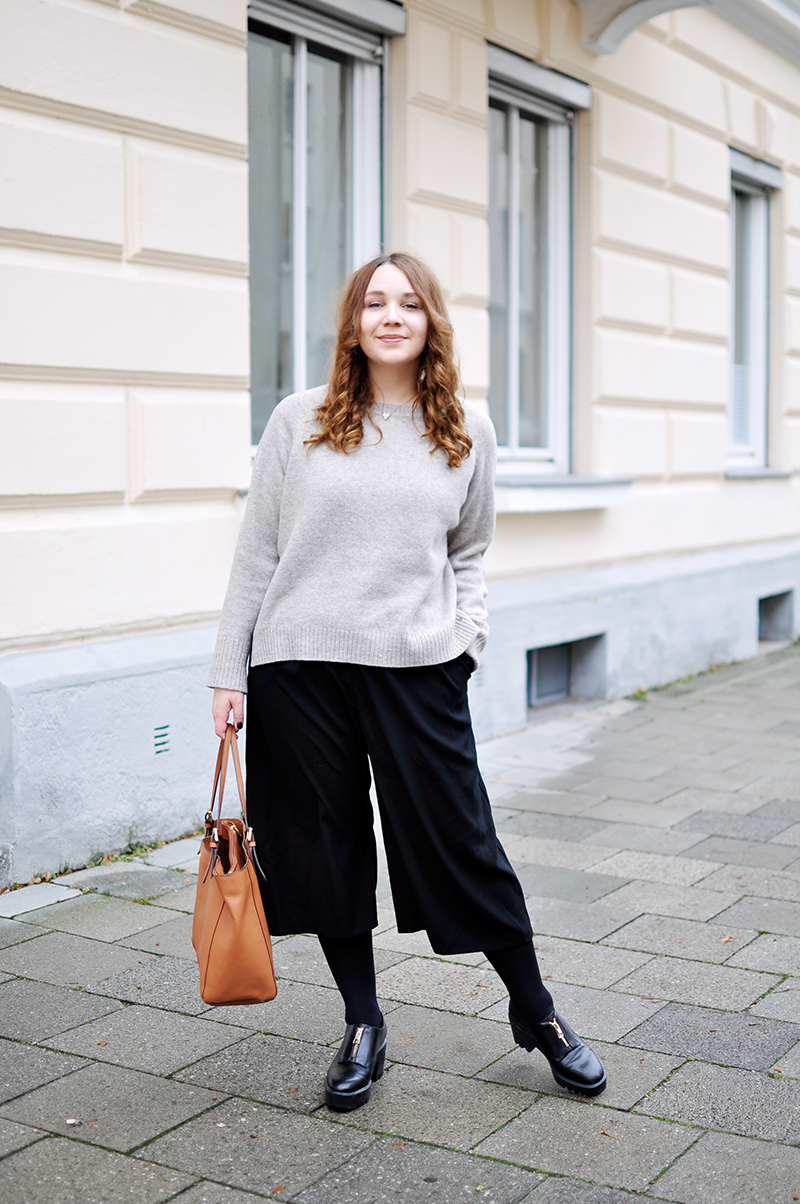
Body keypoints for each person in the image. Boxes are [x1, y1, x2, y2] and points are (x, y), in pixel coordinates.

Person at [208, 252, 606, 1110]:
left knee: (461, 839)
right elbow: (256, 555)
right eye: (375, 303)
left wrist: (466, 642)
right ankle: (363, 1023)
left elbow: (471, 551)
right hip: (298, 665)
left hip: (419, 666)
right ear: (353, 322)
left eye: (410, 304)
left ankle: (536, 1010)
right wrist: (227, 673)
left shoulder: (465, 428)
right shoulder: (299, 419)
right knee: (323, 844)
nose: (392, 316)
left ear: (431, 322)